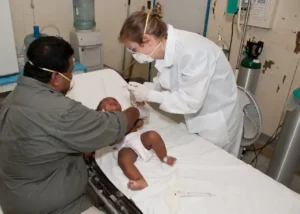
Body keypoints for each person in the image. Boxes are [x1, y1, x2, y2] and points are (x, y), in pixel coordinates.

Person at [0, 36, 149, 214]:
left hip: (15, 197)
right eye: (70, 72)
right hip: (53, 206)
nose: (71, 79)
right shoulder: (61, 111)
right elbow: (113, 126)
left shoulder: (12, 98)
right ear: (55, 77)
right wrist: (136, 111)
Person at [119, 3, 243, 157]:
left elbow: (190, 101)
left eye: (133, 49)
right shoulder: (165, 48)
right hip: (196, 119)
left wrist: (148, 95)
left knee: (217, 165)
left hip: (217, 123)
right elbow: (166, 82)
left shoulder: (194, 52)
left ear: (147, 39)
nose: (134, 54)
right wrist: (143, 90)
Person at [97, 97, 176, 191]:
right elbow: (108, 140)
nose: (112, 101)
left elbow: (140, 122)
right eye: (107, 102)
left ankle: (164, 157)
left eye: (115, 101)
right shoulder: (108, 126)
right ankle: (139, 180)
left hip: (139, 139)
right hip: (126, 146)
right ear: (102, 111)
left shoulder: (127, 116)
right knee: (123, 159)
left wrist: (139, 107)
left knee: (152, 135)